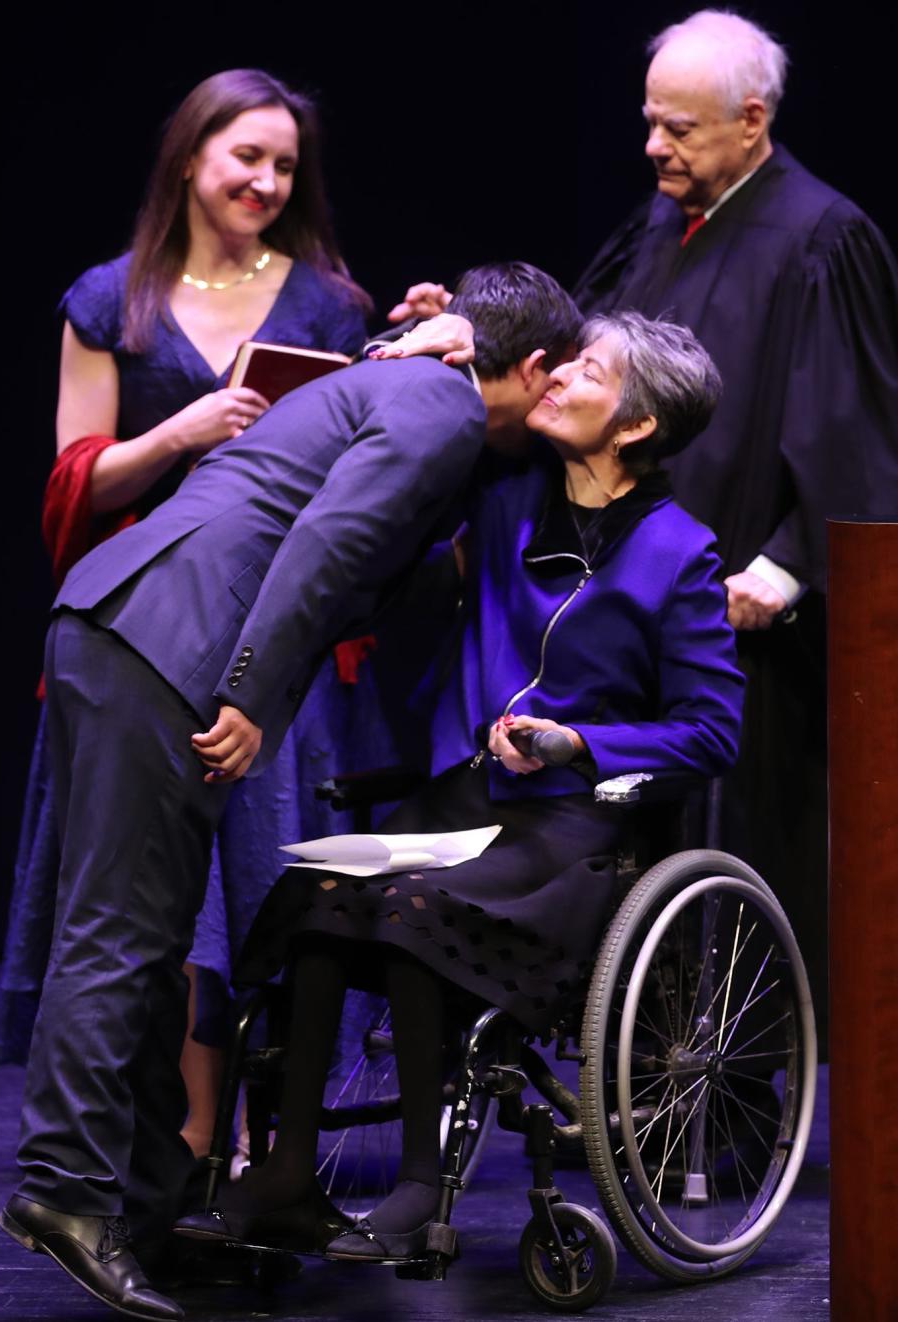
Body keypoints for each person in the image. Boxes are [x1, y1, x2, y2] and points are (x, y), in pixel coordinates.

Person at [0, 262, 583, 1321]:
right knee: (121, 932)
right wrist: (254, 690)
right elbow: (331, 541)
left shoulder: (405, 386)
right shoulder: (440, 401)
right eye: (560, 384)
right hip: (171, 640)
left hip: (128, 623)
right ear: (533, 369)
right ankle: (68, 1192)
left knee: (148, 929)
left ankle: (151, 1202)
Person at [177, 310, 744, 1265]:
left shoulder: (679, 552)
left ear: (637, 425)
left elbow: (712, 729)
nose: (557, 379)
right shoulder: (505, 497)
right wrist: (444, 332)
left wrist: (578, 741)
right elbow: (464, 388)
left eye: (587, 372)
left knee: (407, 904)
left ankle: (415, 1185)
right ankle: (285, 1173)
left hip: (579, 828)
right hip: (468, 800)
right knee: (325, 891)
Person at [390, 11, 898, 1044]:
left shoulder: (823, 237)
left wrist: (789, 567)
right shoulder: (662, 223)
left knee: (749, 856)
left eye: (681, 129)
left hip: (741, 612)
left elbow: (857, 428)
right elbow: (569, 358)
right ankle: (615, 1084)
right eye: (650, 123)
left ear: (752, 121)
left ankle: (733, 1107)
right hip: (612, 593)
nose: (655, 147)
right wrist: (471, 333)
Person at [0, 68, 383, 1154]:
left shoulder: (330, 303)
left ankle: (273, 1147)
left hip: (277, 633)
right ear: (189, 158)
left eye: (284, 165)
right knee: (160, 909)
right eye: (245, 156)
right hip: (150, 633)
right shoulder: (113, 299)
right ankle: (179, 1146)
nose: (265, 180)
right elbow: (75, 488)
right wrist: (185, 432)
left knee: (271, 891)